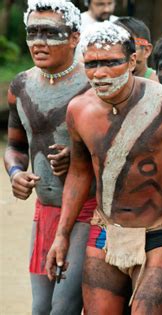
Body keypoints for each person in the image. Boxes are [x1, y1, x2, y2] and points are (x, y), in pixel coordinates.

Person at [45, 21, 162, 314]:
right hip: (107, 230)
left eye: (110, 63)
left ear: (132, 61)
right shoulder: (79, 110)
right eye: (91, 64)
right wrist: (61, 235)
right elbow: (79, 171)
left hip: (159, 231)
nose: (100, 73)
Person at [4, 1, 95, 314]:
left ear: (74, 37)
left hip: (88, 210)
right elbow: (15, 145)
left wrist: (81, 158)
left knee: (63, 309)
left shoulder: (95, 84)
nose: (39, 42)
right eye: (32, 32)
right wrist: (15, 172)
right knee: (40, 308)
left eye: (49, 32)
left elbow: (120, 151)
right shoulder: (21, 86)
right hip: (45, 210)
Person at [114, 17, 158, 81]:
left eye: (128, 48)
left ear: (146, 50)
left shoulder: (160, 83)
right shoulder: (102, 83)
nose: (120, 55)